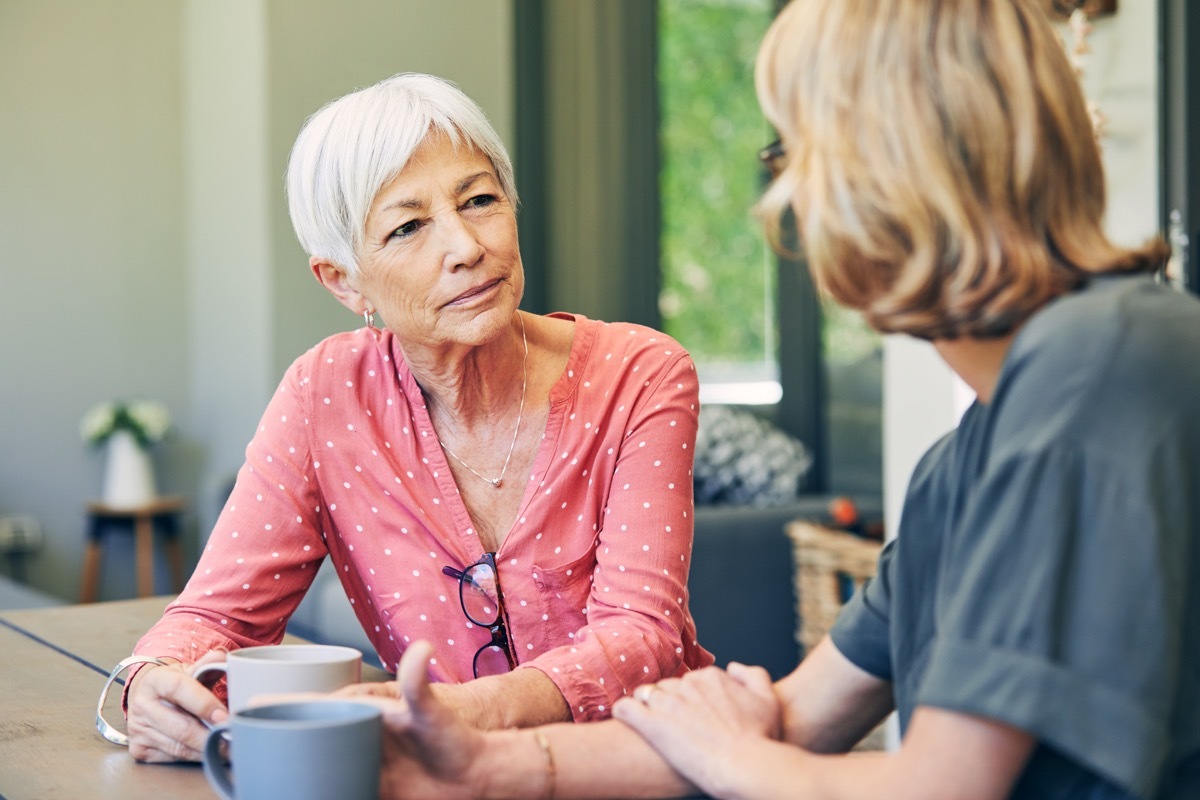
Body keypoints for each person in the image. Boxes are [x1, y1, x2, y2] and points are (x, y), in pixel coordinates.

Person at [356, 1, 1200, 798]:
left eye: (795, 154)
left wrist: (734, 754)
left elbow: (940, 784)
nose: (783, 201)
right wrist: (478, 765)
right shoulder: (973, 456)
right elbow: (800, 717)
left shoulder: (1102, 366)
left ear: (897, 165)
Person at [118, 72, 713, 764]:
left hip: (646, 769)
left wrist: (454, 711)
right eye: (408, 226)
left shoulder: (640, 373)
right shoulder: (325, 396)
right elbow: (215, 615)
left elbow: (642, 637)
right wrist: (151, 686)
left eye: (480, 200)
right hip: (448, 781)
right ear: (344, 281)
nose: (466, 246)